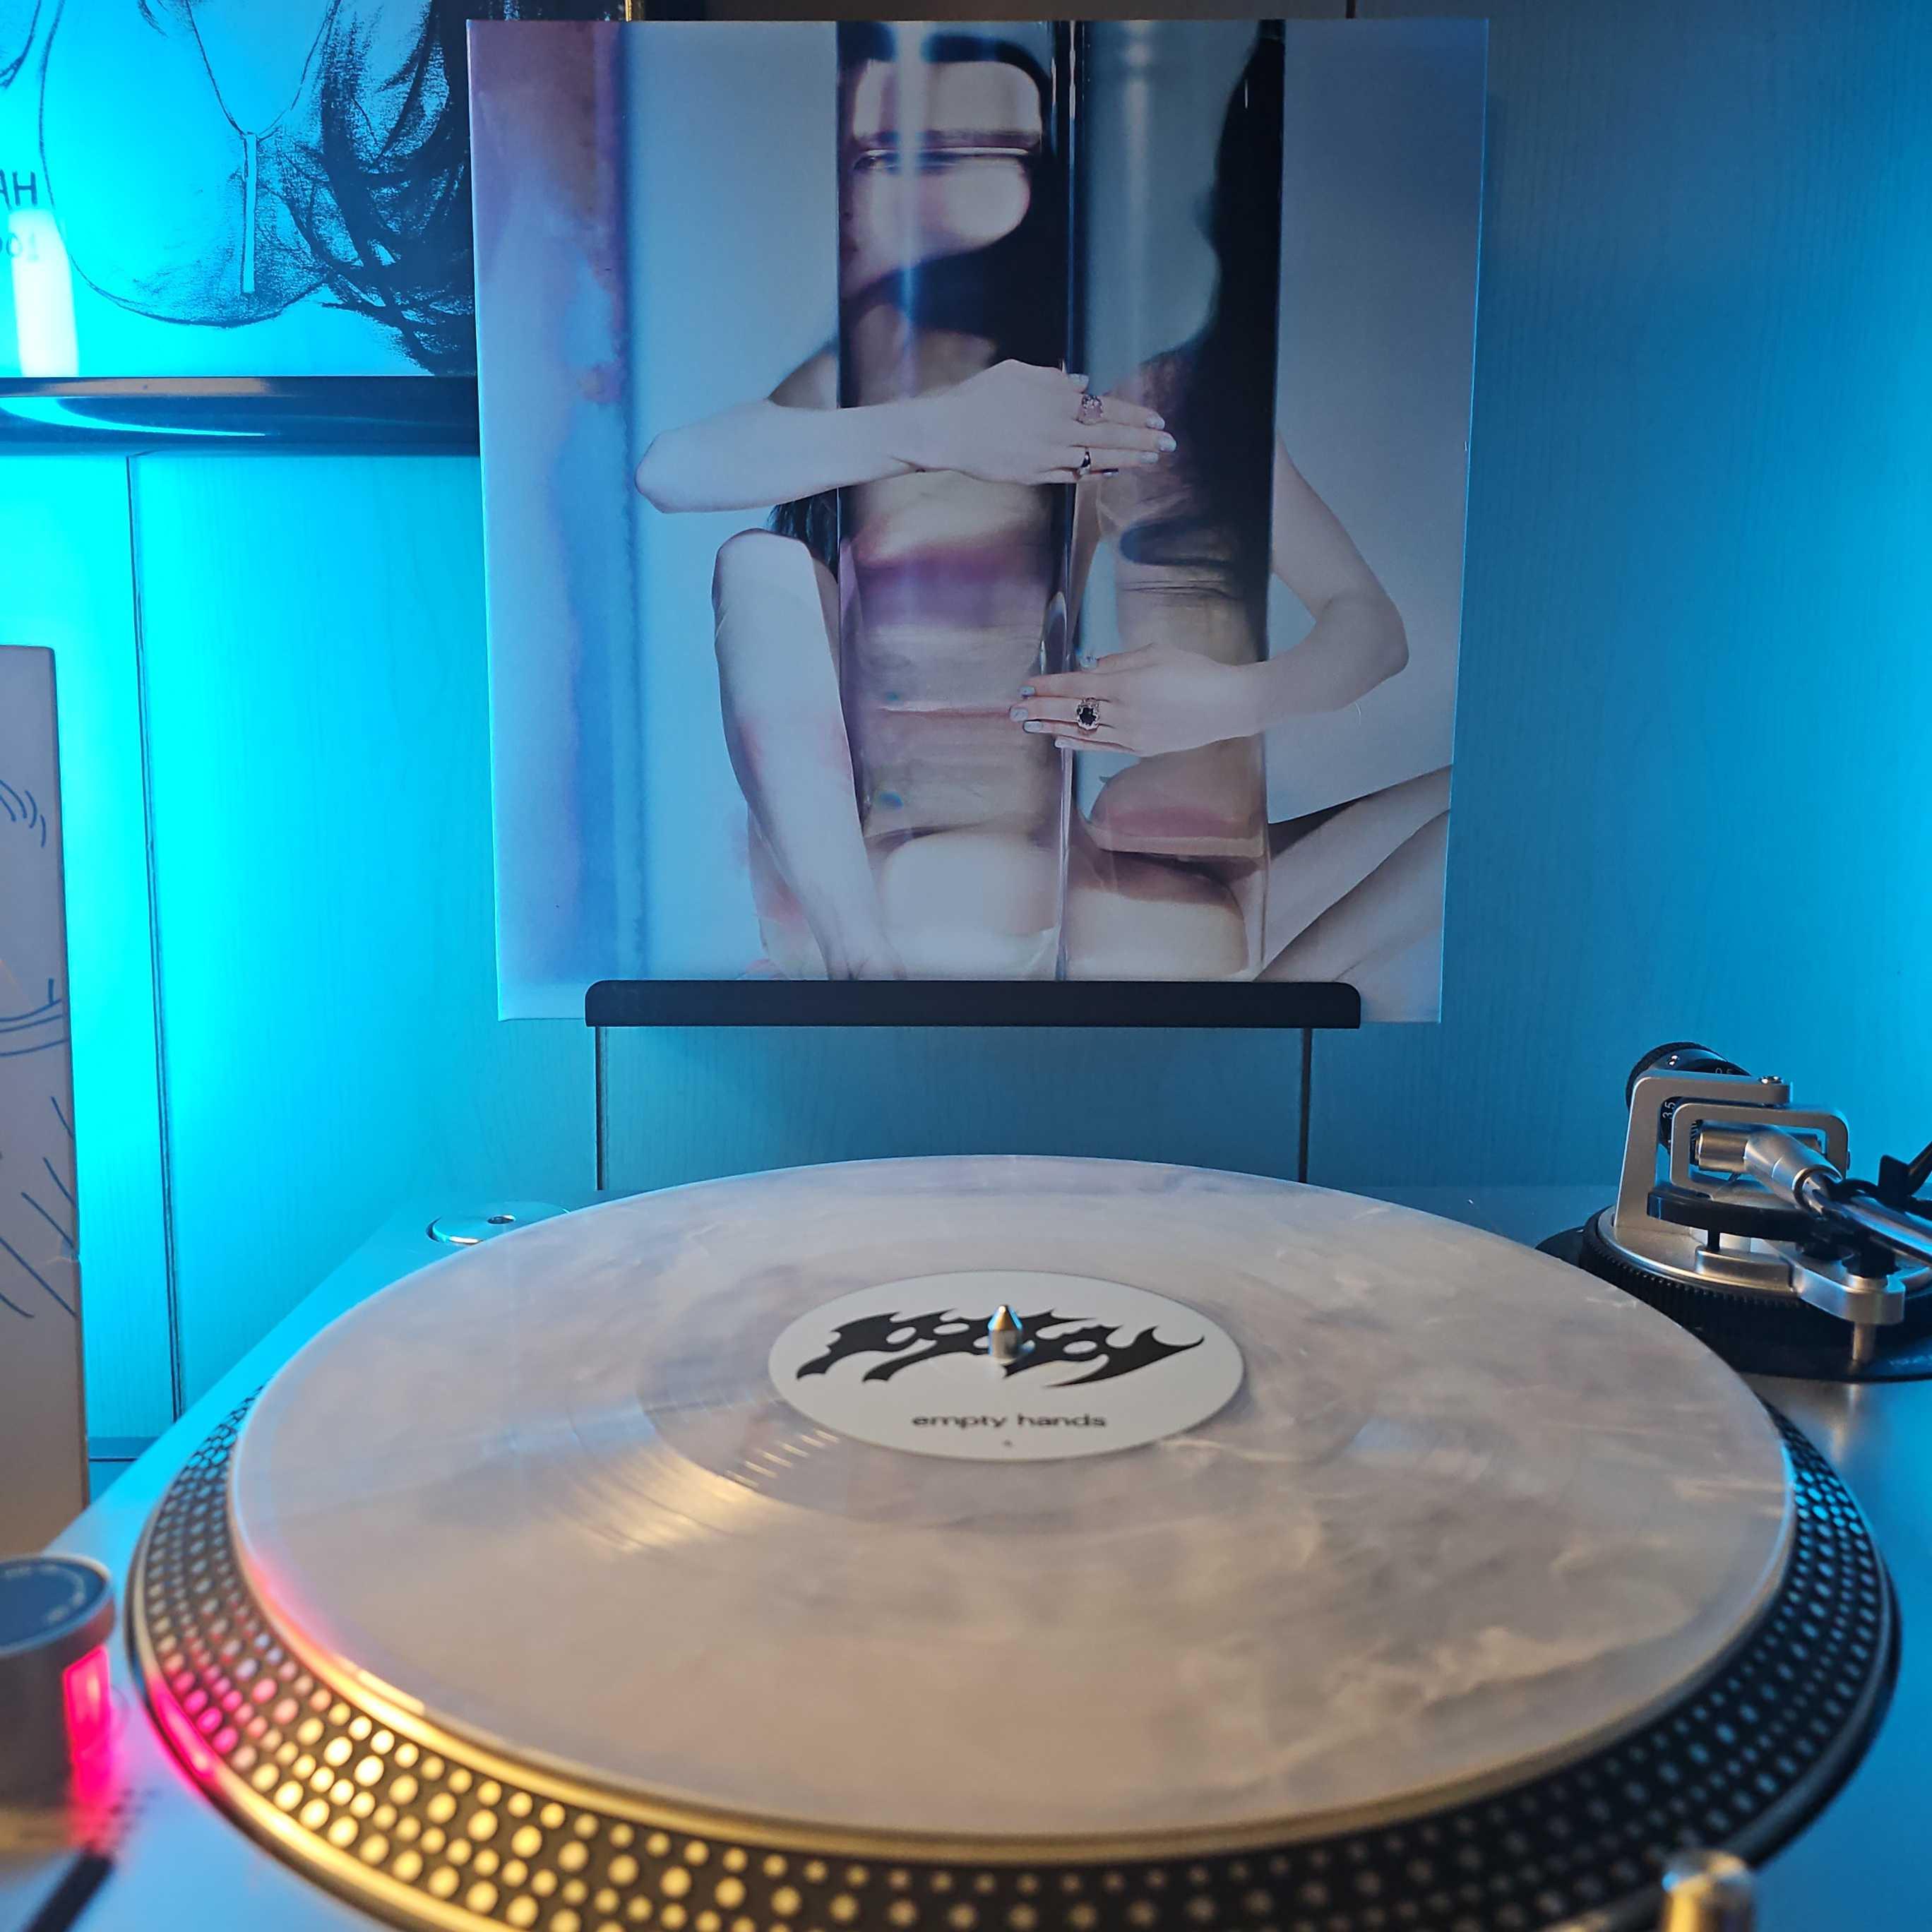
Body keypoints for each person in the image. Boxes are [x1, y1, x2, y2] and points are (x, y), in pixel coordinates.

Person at [637, 25, 1448, 1003]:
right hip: (891, 901)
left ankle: (1279, 1000)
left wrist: (1226, 699)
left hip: (1083, 896)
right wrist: (942, 429)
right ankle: (864, 971)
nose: (881, 190)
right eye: (876, 157)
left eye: (958, 154)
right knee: (759, 564)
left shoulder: (1135, 403)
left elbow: (1372, 631)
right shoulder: (865, 385)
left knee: (1478, 800)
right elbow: (673, 470)